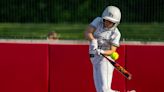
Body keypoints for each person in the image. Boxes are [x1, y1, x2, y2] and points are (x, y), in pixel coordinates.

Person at [84, 6, 121, 92]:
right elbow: (87, 32)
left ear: (115, 23)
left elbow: (112, 50)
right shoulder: (98, 21)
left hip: (106, 59)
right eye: (106, 20)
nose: (108, 23)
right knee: (100, 90)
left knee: (105, 90)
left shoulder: (116, 33)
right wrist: (93, 40)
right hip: (94, 57)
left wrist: (103, 52)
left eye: (111, 22)